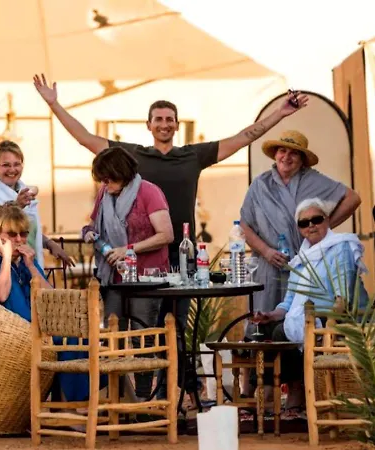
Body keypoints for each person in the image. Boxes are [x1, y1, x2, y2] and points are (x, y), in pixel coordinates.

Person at [33, 74, 309, 397]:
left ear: (176, 125)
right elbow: (84, 138)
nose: (164, 124)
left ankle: (179, 397)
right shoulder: (131, 157)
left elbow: (244, 136)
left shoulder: (192, 156)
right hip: (140, 263)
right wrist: (54, 104)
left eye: (169, 119)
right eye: (158, 119)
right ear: (148, 125)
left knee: (176, 328)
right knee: (146, 331)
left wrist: (280, 113)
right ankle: (150, 397)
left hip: (182, 258)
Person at [252, 197, 368, 416]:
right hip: (307, 316)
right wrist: (270, 315)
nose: (311, 226)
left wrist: (326, 319)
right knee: (262, 330)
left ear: (327, 220)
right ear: (299, 229)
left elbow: (342, 297)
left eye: (316, 219)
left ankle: (292, 395)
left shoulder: (340, 247)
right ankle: (269, 395)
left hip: (338, 316)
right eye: (304, 223)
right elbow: (288, 302)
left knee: (282, 332)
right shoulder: (302, 258)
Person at [0, 204, 93, 402]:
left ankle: (73, 402)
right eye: (12, 234)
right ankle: (73, 405)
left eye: (23, 234)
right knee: (69, 340)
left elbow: (53, 299)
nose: (19, 240)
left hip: (36, 329)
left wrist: (31, 267)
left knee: (78, 334)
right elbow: (0, 294)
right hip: (7, 335)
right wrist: (6, 257)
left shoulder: (26, 261)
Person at [81, 146, 173, 402]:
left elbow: (166, 235)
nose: (104, 184)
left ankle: (143, 400)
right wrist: (88, 232)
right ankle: (119, 399)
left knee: (142, 339)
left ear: (120, 172)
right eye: (102, 179)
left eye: (108, 178)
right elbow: (93, 223)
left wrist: (128, 249)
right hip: (114, 278)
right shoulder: (104, 194)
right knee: (114, 339)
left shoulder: (149, 192)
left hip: (146, 278)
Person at [240, 130, 361, 321]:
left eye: (294, 153)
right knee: (263, 321)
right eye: (282, 151)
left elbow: (353, 198)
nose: (286, 157)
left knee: (303, 319)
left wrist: (321, 228)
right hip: (268, 264)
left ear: (302, 159)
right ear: (275, 154)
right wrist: (266, 251)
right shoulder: (260, 185)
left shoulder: (315, 180)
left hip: (305, 261)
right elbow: (243, 226)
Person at [0, 140, 73, 269]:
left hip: (27, 267)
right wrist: (16, 206)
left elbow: (26, 231)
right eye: (6, 165)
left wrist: (50, 244)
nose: (12, 169)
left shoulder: (23, 192)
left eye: (17, 164)